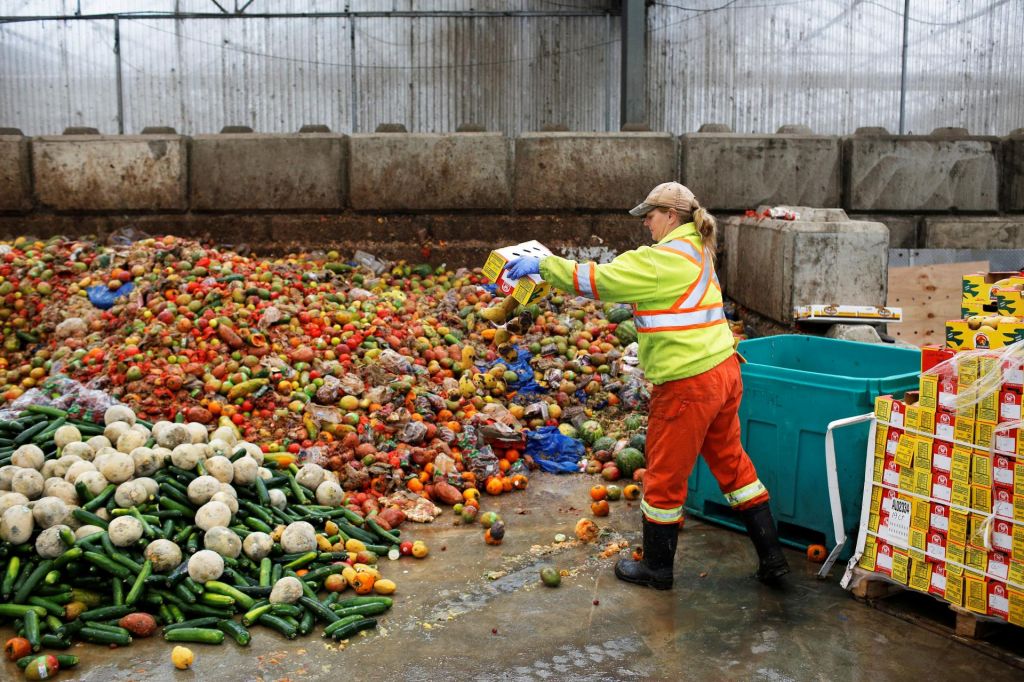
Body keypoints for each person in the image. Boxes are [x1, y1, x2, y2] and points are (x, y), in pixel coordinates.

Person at [504, 181, 789, 590]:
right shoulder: (698, 249)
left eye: (650, 216)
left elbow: (601, 280)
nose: (646, 225)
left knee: (663, 477)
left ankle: (657, 568)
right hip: (724, 370)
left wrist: (545, 265)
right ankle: (773, 558)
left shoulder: (664, 259)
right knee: (733, 466)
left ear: (671, 216)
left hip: (688, 383)